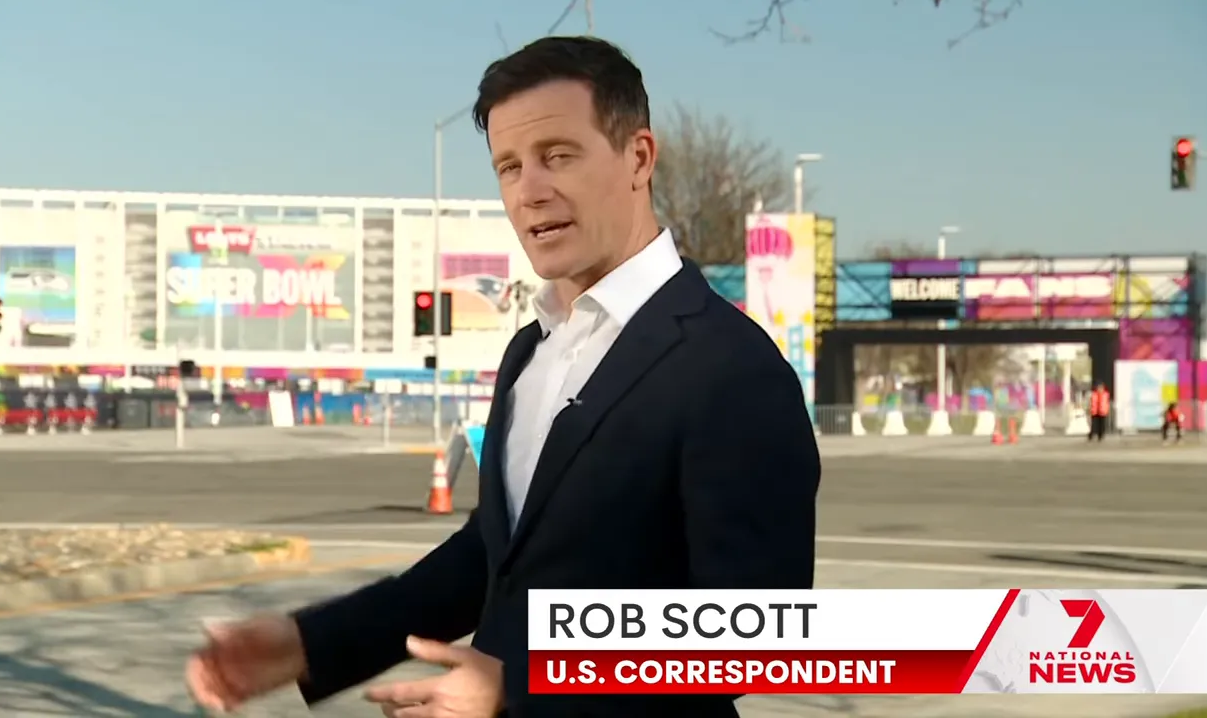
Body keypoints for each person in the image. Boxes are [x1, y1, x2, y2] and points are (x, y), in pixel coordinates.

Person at [185, 35, 820, 718]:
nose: (530, 191)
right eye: (508, 167)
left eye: (557, 156)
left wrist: (519, 684)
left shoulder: (731, 367)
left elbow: (757, 627)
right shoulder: (529, 352)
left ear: (639, 157)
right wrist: (307, 643)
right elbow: (492, 556)